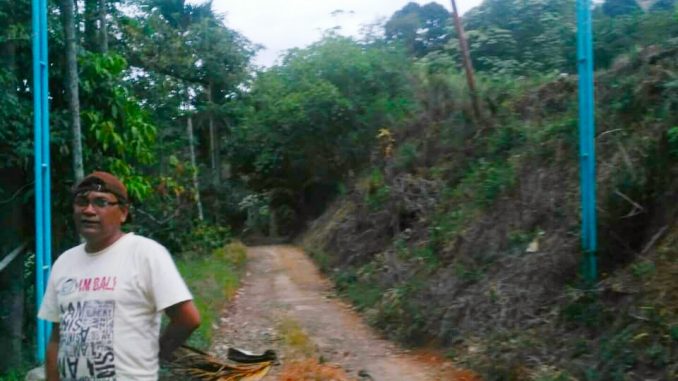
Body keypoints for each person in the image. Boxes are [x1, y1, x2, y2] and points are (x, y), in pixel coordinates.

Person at [38, 171, 201, 381]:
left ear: (123, 212)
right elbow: (56, 339)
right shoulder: (64, 262)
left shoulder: (145, 254)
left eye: (101, 202)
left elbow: (188, 319)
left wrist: (155, 355)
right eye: (81, 202)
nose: (88, 210)